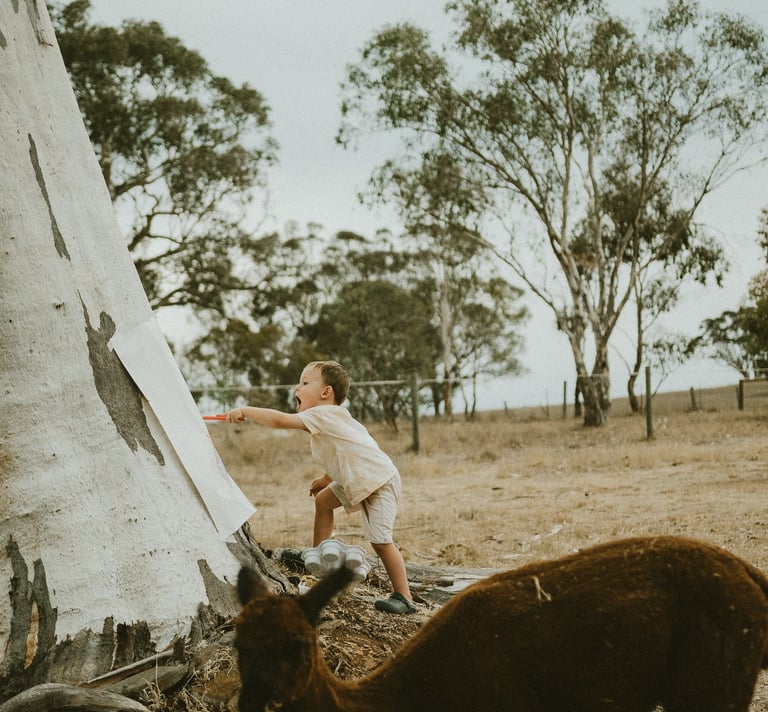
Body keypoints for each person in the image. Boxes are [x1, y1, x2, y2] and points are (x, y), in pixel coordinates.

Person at [224, 360, 416, 614]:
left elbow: (281, 421)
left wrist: (246, 410)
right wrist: (326, 479)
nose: (297, 387)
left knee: (380, 541)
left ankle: (404, 597)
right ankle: (317, 558)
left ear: (326, 393)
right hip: (358, 477)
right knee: (323, 501)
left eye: (304, 383)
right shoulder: (332, 419)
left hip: (378, 482)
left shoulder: (323, 414)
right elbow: (344, 451)